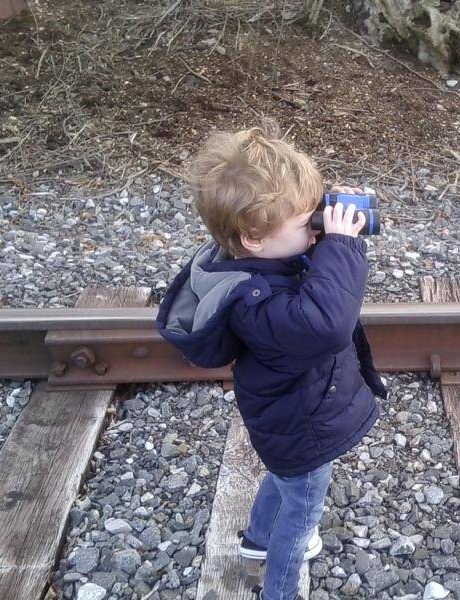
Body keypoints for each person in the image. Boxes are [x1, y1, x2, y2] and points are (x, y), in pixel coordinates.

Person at [155, 119, 387, 600]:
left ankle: (258, 541)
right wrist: (343, 247)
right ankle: (279, 588)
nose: (317, 227)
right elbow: (327, 322)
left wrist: (316, 223)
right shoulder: (256, 303)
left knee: (284, 479)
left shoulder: (252, 259)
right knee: (301, 519)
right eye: (307, 223)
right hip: (305, 424)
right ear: (254, 237)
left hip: (288, 419)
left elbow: (301, 271)